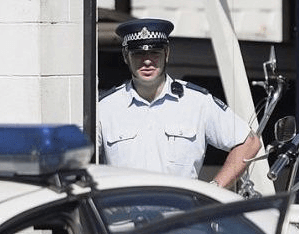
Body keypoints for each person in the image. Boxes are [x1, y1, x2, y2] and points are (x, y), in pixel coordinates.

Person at [97, 18, 261, 188]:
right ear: (125, 56)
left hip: (181, 213)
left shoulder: (197, 102)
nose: (147, 61)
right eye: (138, 54)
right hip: (123, 213)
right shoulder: (105, 108)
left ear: (166, 53)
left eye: (155, 53)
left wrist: (214, 188)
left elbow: (249, 143)